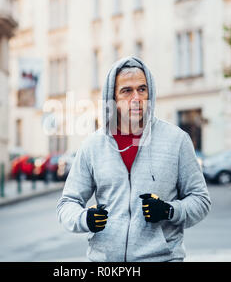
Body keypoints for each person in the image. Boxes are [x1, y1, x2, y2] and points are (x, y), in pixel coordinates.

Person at [56, 56, 211, 262]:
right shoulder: (93, 145)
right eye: (127, 91)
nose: (136, 97)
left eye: (142, 89)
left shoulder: (177, 140)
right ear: (113, 98)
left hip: (162, 259)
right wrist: (85, 219)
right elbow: (68, 203)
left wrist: (169, 210)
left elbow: (200, 200)